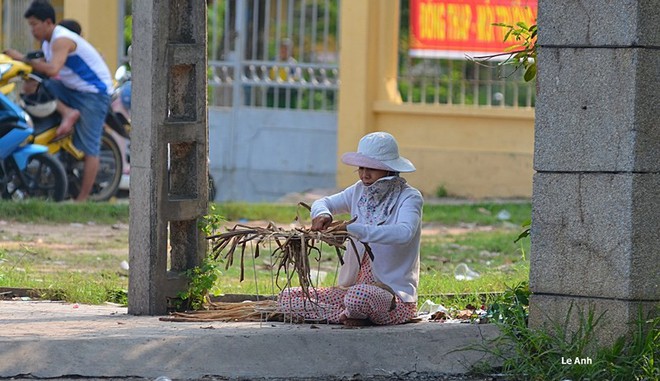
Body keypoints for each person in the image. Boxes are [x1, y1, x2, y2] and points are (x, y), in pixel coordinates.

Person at [278, 131, 424, 326]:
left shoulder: (409, 197)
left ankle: (348, 311)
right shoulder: (358, 191)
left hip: (392, 298)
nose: (365, 174)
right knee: (287, 297)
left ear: (389, 169)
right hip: (350, 289)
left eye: (372, 168)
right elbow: (323, 202)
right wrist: (323, 214)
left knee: (358, 296)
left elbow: (404, 233)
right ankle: (346, 315)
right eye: (361, 167)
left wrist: (353, 229)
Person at [4, 0, 113, 202]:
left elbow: (53, 69)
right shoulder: (47, 42)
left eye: (34, 24)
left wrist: (22, 58)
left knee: (90, 148)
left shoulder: (60, 39)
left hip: (93, 93)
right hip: (72, 89)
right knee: (35, 83)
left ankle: (81, 201)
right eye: (30, 25)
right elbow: (44, 71)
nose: (32, 29)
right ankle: (67, 113)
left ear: (47, 22)